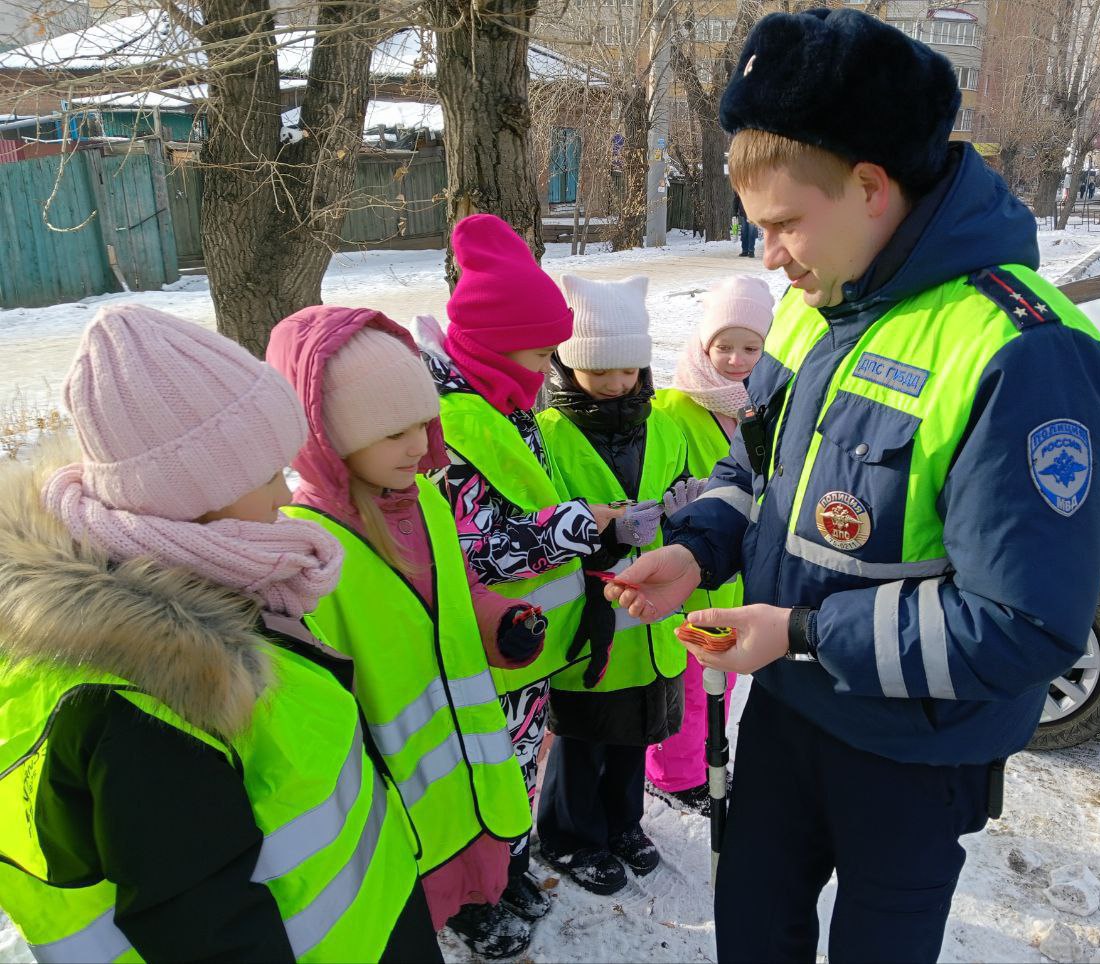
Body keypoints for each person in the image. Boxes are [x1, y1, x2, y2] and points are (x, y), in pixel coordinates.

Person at [605, 9, 1100, 963]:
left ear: (873, 187)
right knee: (753, 931)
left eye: (785, 224)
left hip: (917, 755)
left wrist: (800, 632)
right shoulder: (815, 312)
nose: (769, 256)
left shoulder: (1022, 350)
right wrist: (697, 549)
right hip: (789, 714)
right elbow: (748, 473)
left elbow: (1024, 627)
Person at [0, 305, 438, 962]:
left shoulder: (230, 582)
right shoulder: (145, 704)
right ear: (187, 495)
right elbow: (207, 929)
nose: (284, 494)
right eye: (264, 475)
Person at [267, 306, 543, 959]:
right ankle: (452, 915)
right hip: (392, 774)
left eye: (423, 422)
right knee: (421, 870)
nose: (419, 445)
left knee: (470, 834)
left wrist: (500, 621)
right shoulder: (311, 550)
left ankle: (484, 896)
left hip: (462, 750)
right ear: (326, 438)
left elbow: (451, 591)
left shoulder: (424, 501)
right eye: (392, 433)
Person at [421, 213, 632, 925]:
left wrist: (579, 515)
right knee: (476, 772)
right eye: (540, 357)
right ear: (495, 347)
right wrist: (578, 525)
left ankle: (507, 867)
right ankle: (471, 897)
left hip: (525, 647)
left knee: (517, 764)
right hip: (479, 653)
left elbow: (525, 502)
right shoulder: (450, 426)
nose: (548, 374)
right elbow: (471, 551)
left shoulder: (506, 407)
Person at [533, 275, 695, 894]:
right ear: (568, 362)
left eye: (628, 369)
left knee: (637, 728)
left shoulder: (666, 424)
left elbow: (685, 487)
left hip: (652, 618)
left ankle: (623, 821)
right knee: (584, 735)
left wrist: (687, 505)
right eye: (599, 370)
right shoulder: (549, 434)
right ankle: (570, 835)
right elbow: (542, 522)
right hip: (590, 620)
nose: (616, 383)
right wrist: (605, 531)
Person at [643, 275, 774, 816]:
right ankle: (674, 775)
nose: (736, 360)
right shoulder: (674, 407)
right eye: (724, 346)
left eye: (751, 347)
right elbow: (655, 475)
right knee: (691, 682)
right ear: (703, 345)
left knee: (723, 680)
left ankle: (705, 760)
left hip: (741, 576)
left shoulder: (767, 405)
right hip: (689, 572)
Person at [733, 192, 757, 257]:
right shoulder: (740, 186)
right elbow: (736, 199)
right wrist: (735, 212)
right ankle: (745, 251)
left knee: (751, 232)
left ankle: (751, 251)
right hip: (743, 213)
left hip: (753, 213)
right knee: (744, 232)